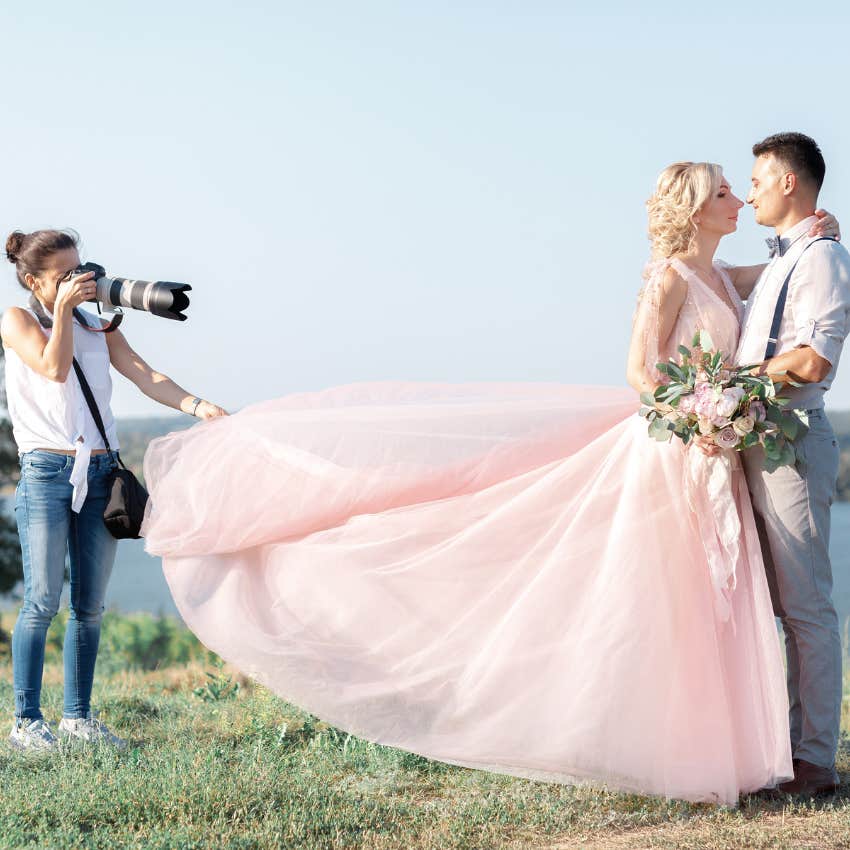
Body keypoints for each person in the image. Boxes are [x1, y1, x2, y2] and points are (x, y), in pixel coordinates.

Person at [140, 166, 838, 805]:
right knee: (669, 600)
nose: (737, 198)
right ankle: (674, 750)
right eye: (723, 191)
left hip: (713, 453)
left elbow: (776, 273)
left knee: (714, 601)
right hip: (677, 451)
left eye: (738, 187)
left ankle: (736, 754)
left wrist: (818, 230)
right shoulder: (670, 278)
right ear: (693, 209)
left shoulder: (723, 274)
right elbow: (641, 373)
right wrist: (697, 417)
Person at [2, 229, 228, 751]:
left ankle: (77, 720)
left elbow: (145, 375)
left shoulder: (95, 322)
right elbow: (53, 369)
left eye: (81, 269)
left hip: (101, 473)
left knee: (90, 606)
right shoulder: (18, 321)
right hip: (47, 473)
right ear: (34, 280)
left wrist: (199, 407)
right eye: (65, 275)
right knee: (40, 602)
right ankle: (27, 723)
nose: (80, 281)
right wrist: (61, 310)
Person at [734, 132, 850, 797]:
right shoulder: (785, 258)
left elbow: (812, 361)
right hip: (757, 444)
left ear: (787, 182)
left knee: (807, 610)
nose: (748, 190)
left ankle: (814, 764)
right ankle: (784, 747)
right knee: (776, 606)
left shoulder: (825, 260)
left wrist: (734, 384)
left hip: (793, 442)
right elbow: (712, 277)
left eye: (755, 179)